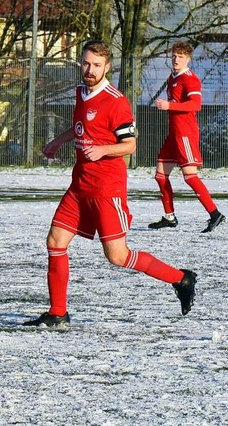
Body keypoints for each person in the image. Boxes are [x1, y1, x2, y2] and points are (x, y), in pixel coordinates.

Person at [23, 40, 197, 328]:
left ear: (107, 68)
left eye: (96, 65)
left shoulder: (116, 101)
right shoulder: (81, 92)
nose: (90, 70)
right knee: (55, 242)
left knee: (117, 256)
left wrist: (103, 150)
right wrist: (59, 140)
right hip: (79, 186)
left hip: (106, 190)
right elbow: (81, 126)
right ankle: (58, 314)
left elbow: (129, 145)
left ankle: (180, 278)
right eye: (86, 63)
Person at [149, 41, 225, 233]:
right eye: (174, 56)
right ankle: (169, 216)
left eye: (181, 56)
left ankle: (215, 214)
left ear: (188, 59)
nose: (176, 59)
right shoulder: (172, 77)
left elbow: (195, 105)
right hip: (173, 134)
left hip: (185, 134)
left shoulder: (190, 79)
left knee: (190, 177)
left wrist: (169, 106)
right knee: (160, 175)